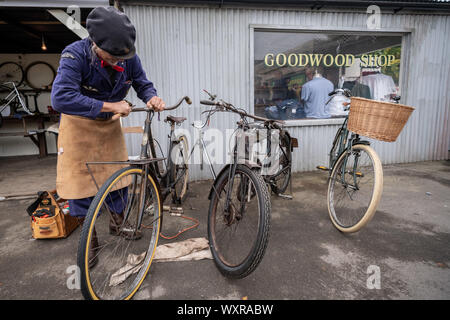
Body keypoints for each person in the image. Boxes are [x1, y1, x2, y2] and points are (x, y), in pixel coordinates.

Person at [51, 6, 165, 266]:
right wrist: (112, 106)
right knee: (80, 189)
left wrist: (152, 97)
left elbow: (141, 82)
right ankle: (89, 240)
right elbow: (61, 98)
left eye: (122, 58)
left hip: (109, 126)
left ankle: (118, 224)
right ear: (95, 43)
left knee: (117, 180)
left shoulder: (126, 57)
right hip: (78, 127)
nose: (118, 62)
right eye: (112, 57)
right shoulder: (74, 55)